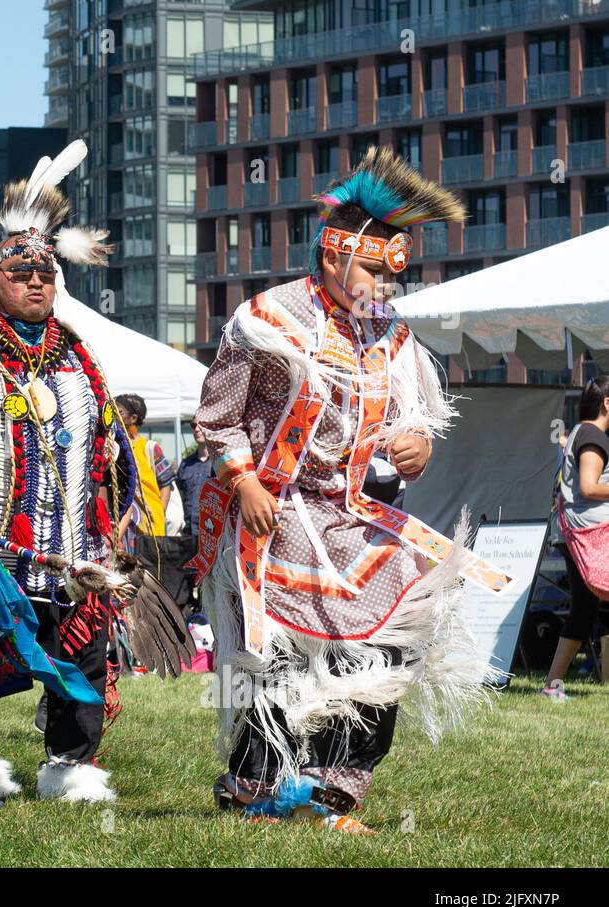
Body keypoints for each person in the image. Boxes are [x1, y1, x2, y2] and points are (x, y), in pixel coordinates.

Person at [190, 147, 512, 833]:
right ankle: (258, 782)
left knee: (390, 632)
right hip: (269, 514)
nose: (381, 287)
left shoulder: (390, 335)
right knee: (272, 655)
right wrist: (242, 477)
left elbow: (412, 420)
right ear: (334, 257)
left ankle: (339, 784)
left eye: (390, 274)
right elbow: (217, 416)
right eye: (371, 270)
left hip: (346, 514)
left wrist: (416, 444)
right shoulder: (267, 318)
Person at [0, 139, 139, 806]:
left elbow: (110, 450)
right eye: (22, 274)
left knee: (81, 656)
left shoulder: (79, 358)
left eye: (45, 273)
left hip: (71, 549)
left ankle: (69, 766)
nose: (37, 281)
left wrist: (117, 523)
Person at [542, 375, 609, 701]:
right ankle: (553, 684)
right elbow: (589, 486)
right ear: (607, 403)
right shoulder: (593, 436)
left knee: (585, 609)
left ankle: (555, 684)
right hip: (589, 536)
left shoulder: (582, 432)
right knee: (584, 609)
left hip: (578, 534)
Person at [115, 393, 178, 547]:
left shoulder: (150, 448)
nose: (115, 415)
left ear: (133, 418)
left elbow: (166, 484)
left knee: (149, 567)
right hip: (124, 524)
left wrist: (158, 512)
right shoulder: (114, 447)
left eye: (120, 412)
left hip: (150, 525)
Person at [176, 422, 213, 546]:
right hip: (188, 534)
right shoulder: (186, 464)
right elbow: (179, 498)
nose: (196, 429)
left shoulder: (220, 463)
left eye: (201, 425)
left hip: (213, 534)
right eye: (193, 426)